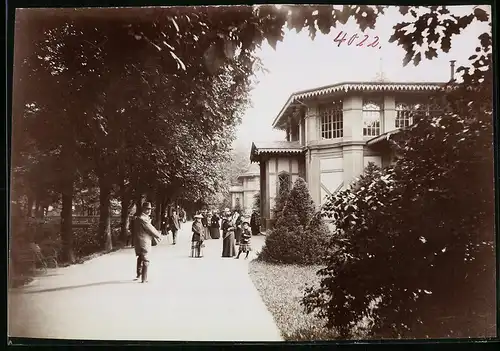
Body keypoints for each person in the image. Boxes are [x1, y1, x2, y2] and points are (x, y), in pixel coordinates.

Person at [132, 202, 162, 283]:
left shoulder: (141, 217)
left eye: (150, 209)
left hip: (139, 240)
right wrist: (158, 235)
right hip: (144, 241)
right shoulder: (143, 218)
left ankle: (139, 274)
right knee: (146, 259)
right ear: (143, 209)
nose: (149, 211)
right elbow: (150, 228)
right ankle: (144, 279)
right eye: (147, 209)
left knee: (141, 257)